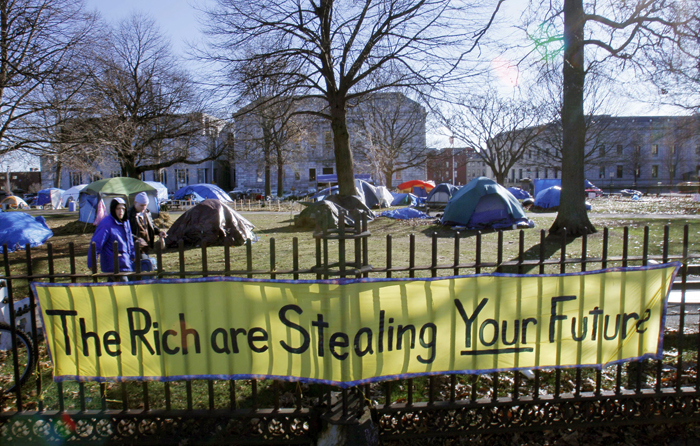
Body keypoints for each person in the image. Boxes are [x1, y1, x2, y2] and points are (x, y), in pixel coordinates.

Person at [88, 197, 134, 282]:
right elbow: (96, 243)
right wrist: (92, 262)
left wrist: (133, 255)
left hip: (125, 262)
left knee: (113, 288)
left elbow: (129, 240)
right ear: (113, 209)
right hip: (112, 264)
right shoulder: (106, 224)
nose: (121, 211)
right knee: (124, 288)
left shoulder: (125, 222)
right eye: (118, 209)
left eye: (123, 209)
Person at [128, 192, 166, 257]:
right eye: (141, 205)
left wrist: (159, 232)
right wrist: (137, 239)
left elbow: (151, 226)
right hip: (135, 246)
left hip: (147, 244)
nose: (144, 207)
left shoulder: (147, 212)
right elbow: (127, 231)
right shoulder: (128, 215)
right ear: (135, 203)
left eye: (145, 205)